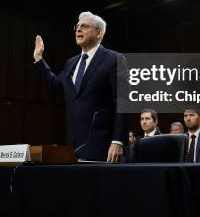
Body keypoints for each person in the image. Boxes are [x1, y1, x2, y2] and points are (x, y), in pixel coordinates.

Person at [33, 11, 129, 162]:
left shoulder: (114, 59)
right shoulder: (71, 63)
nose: (78, 29)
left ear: (99, 32)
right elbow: (56, 86)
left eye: (84, 26)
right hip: (72, 146)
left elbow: (123, 102)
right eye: (77, 26)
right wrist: (39, 59)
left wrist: (118, 141)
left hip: (103, 147)